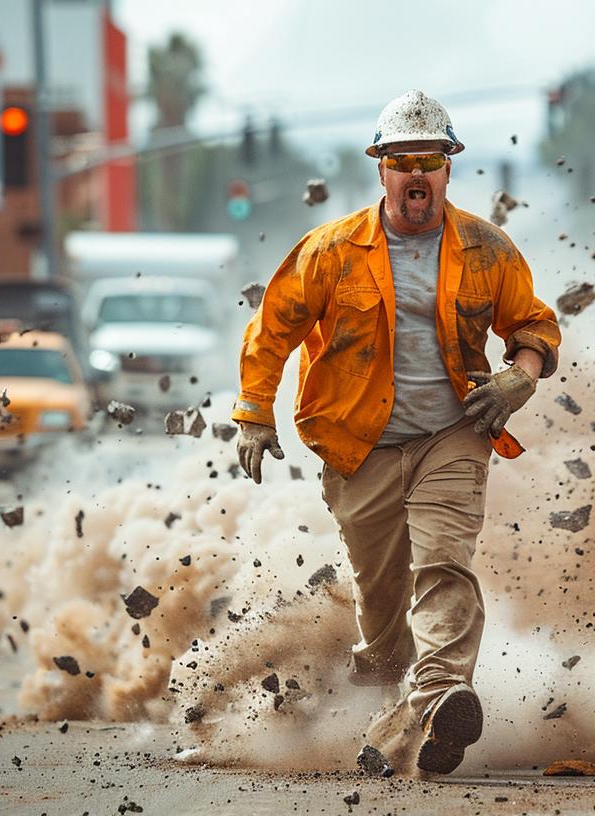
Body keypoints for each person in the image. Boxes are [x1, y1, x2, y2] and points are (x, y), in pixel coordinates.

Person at [232, 89, 561, 776]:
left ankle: (440, 701)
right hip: (360, 448)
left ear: (449, 169)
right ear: (381, 169)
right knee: (382, 611)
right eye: (403, 160)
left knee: (444, 565)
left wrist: (520, 376)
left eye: (432, 160)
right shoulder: (331, 251)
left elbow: (533, 326)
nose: (418, 173)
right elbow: (274, 329)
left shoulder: (485, 250)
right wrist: (255, 413)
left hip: (453, 435)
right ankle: (390, 696)